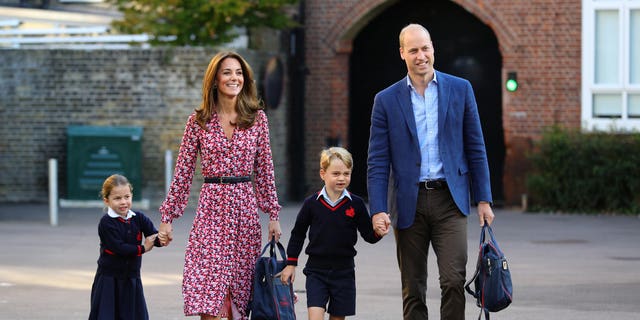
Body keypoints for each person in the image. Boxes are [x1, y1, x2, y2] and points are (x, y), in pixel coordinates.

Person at [367, 23, 495, 320]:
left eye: (425, 48)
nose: (421, 55)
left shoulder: (460, 89)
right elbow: (377, 161)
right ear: (402, 53)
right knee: (413, 288)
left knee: (453, 280)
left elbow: (476, 147)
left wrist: (484, 199)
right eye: (413, 50)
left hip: (450, 200)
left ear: (433, 49)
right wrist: (378, 209)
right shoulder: (385, 100)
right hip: (408, 201)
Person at [157, 51, 282, 320]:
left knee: (239, 293)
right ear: (215, 79)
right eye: (227, 72)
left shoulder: (257, 119)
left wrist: (273, 215)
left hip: (243, 212)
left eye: (238, 73)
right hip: (211, 210)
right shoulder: (198, 120)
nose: (233, 78)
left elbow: (265, 170)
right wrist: (168, 217)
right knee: (207, 293)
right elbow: (183, 171)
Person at [280, 147, 383, 320]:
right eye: (336, 173)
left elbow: (368, 236)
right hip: (316, 271)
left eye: (346, 173)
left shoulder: (356, 204)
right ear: (323, 174)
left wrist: (379, 232)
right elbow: (298, 234)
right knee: (315, 317)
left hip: (344, 273)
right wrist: (291, 263)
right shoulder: (311, 204)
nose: (342, 178)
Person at [89, 174, 161, 320]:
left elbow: (153, 235)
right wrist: (143, 248)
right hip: (109, 279)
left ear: (131, 196)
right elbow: (119, 248)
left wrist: (162, 238)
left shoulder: (139, 218)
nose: (123, 202)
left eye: (127, 197)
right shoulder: (106, 223)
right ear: (106, 201)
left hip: (132, 278)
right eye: (117, 198)